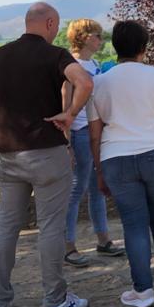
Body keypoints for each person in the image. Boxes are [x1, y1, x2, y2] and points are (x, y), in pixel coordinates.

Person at [0, 2, 94, 307]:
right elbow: (85, 82)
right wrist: (70, 114)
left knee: (6, 225)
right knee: (50, 226)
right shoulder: (55, 55)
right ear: (48, 23)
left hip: (9, 154)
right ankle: (54, 299)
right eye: (56, 25)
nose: (57, 31)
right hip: (48, 152)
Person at [89, 20, 154, 307]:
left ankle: (143, 291)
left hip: (116, 157)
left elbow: (95, 133)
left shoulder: (98, 83)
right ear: (144, 48)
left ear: (115, 47)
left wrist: (99, 171)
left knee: (134, 225)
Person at [62, 19, 123, 266]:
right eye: (98, 35)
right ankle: (68, 245)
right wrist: (66, 142)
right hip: (79, 131)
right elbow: (65, 101)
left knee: (98, 186)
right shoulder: (70, 65)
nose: (101, 40)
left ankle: (103, 239)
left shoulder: (95, 64)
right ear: (86, 37)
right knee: (77, 188)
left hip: (95, 129)